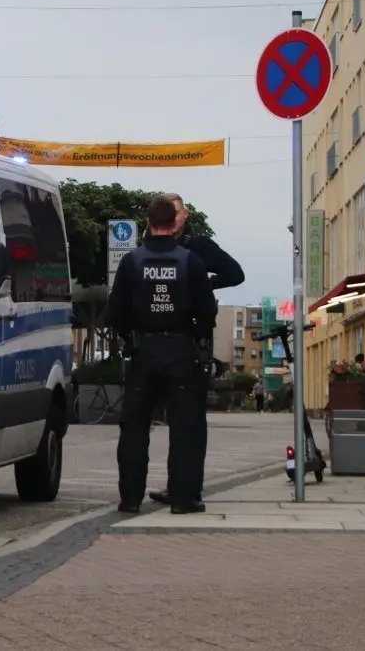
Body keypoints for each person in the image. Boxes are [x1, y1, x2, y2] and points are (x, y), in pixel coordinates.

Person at [107, 194, 218, 515]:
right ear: (174, 223)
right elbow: (207, 312)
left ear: (148, 223)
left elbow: (116, 312)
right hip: (181, 353)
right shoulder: (190, 261)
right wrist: (193, 335)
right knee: (186, 428)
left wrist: (133, 337)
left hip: (143, 353)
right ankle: (183, 499)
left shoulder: (132, 262)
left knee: (134, 428)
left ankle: (129, 499)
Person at [147, 193, 245, 507]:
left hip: (191, 343)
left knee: (188, 420)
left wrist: (202, 284)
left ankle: (187, 489)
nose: (171, 218)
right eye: (166, 212)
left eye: (175, 212)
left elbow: (235, 273)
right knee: (166, 420)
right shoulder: (152, 248)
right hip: (157, 344)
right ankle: (175, 486)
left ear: (185, 214)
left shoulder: (198, 246)